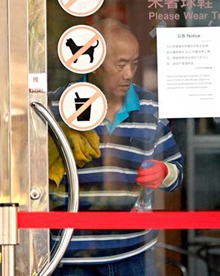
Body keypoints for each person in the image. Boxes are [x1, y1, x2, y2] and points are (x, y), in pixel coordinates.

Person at [49, 19, 184, 275]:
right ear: (94, 64)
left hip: (135, 255)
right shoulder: (59, 105)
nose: (129, 74)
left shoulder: (149, 107)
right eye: (120, 65)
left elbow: (176, 170)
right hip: (73, 257)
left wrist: (164, 172)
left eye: (134, 63)